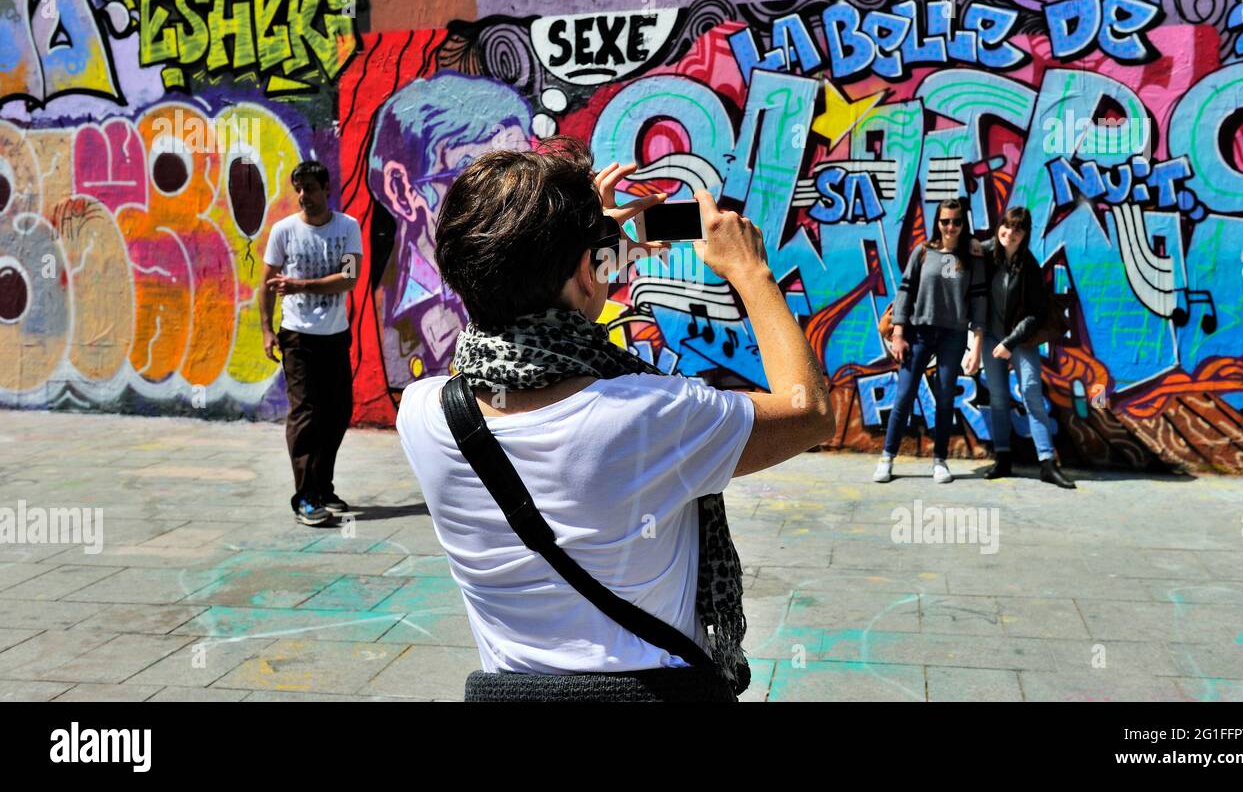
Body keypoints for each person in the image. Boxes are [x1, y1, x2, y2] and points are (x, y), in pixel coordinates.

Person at [394, 137, 834, 700]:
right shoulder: (649, 415)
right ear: (584, 272)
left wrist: (587, 252)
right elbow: (810, 409)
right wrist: (750, 273)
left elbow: (517, 329)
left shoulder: (426, 412)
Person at [365, 73, 532, 385]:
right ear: (403, 190)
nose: (512, 194)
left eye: (525, 172)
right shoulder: (375, 316)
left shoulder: (537, 280)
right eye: (479, 178)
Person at [261, 160, 364, 526]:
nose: (304, 196)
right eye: (299, 189)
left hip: (335, 335)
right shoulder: (283, 231)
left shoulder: (347, 227)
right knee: (305, 414)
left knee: (337, 412)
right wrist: (267, 330)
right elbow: (268, 284)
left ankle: (323, 486)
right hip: (297, 336)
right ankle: (305, 497)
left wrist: (302, 285)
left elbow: (349, 279)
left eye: (310, 188)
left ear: (326, 189)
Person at [875, 199, 987, 484]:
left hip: (953, 335)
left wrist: (976, 344)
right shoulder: (923, 252)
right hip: (919, 333)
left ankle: (940, 460)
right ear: (937, 222)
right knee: (904, 395)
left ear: (964, 223)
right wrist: (899, 333)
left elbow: (978, 300)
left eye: (957, 221)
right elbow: (905, 292)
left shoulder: (972, 256)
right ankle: (887, 457)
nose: (951, 226)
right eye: (945, 221)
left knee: (946, 397)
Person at [980, 206, 1075, 489]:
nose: (1010, 233)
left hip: (1020, 339)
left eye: (1018, 230)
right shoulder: (984, 254)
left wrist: (1010, 343)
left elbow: (1035, 313)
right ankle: (1003, 458)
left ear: (1025, 234)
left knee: (1032, 393)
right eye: (1006, 227)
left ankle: (1047, 463)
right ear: (1000, 227)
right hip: (989, 337)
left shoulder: (1030, 266)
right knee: (997, 397)